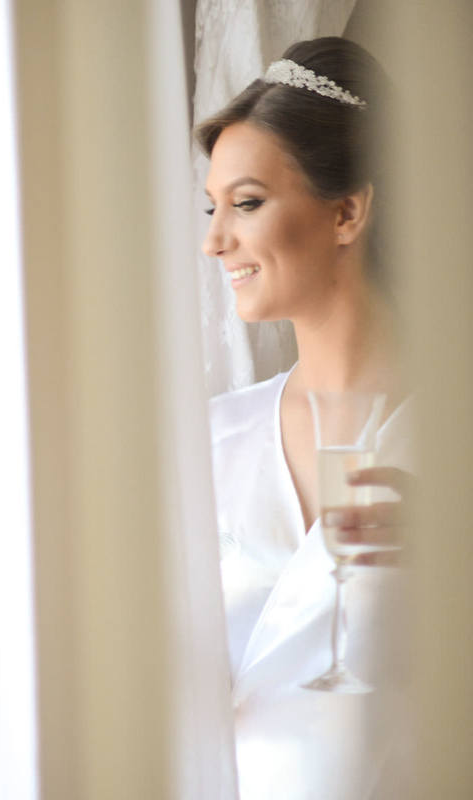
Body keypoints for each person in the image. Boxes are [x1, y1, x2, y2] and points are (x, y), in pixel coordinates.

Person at [198, 38, 412, 799]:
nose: (215, 240)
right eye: (212, 207)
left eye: (246, 204)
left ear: (348, 210)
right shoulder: (206, 447)